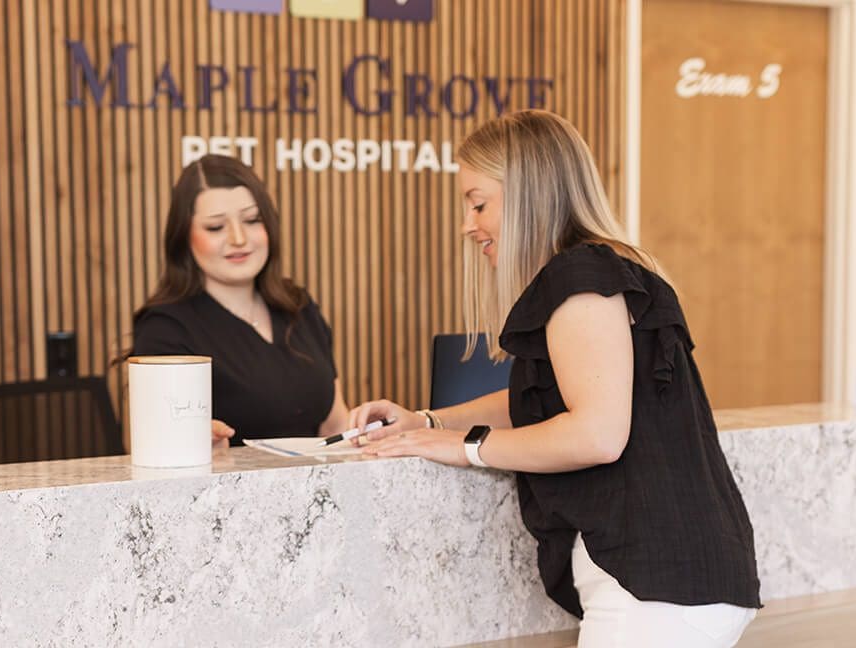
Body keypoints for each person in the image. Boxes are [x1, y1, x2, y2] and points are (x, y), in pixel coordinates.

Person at [346, 110, 761, 647]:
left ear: (527, 194)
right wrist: (427, 422)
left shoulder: (581, 276)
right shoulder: (600, 271)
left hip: (660, 588)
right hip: (674, 581)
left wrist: (467, 447)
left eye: (479, 203)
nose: (468, 225)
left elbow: (596, 435)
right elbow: (538, 399)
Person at [125, 154, 349, 446]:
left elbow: (335, 425)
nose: (239, 238)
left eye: (252, 220)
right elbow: (148, 445)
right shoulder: (165, 328)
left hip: (316, 476)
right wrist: (193, 442)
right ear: (184, 237)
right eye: (216, 227)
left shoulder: (298, 306)